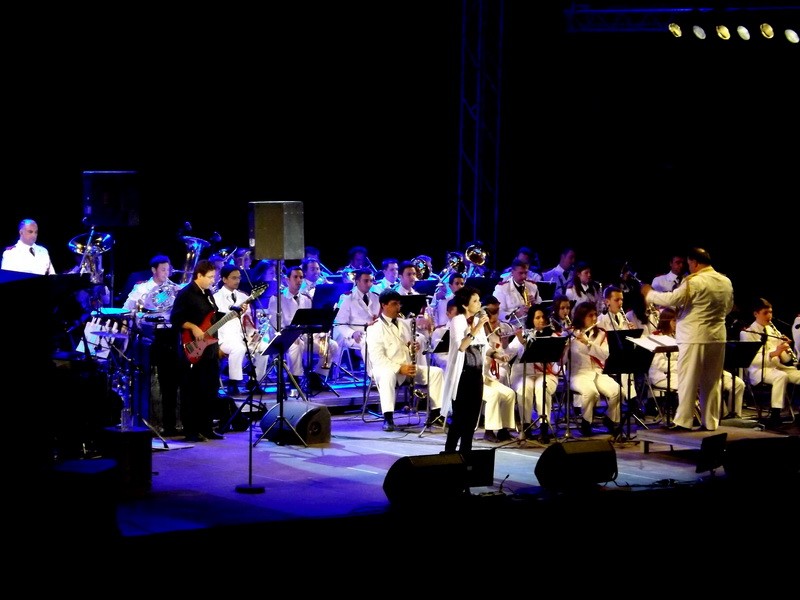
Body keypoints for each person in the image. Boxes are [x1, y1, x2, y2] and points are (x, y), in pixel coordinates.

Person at [640, 247, 734, 432]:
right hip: (717, 336)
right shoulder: (725, 281)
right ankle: (710, 421)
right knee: (712, 381)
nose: (688, 267)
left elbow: (672, 299)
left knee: (688, 379)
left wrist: (649, 293)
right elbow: (728, 307)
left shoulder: (695, 281)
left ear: (695, 262)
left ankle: (684, 421)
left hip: (694, 336)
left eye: (689, 263)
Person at [365, 289, 444, 432]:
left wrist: (414, 347)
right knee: (388, 375)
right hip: (386, 368)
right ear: (383, 305)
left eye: (399, 304)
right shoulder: (375, 328)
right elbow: (377, 358)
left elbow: (409, 344)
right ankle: (388, 417)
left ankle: (435, 414)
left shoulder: (404, 323)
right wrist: (399, 368)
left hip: (406, 367)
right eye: (394, 304)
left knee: (436, 372)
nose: (398, 307)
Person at [649, 308, 745, 420]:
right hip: (665, 376)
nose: (678, 324)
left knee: (738, 384)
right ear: (666, 321)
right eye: (674, 320)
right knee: (710, 384)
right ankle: (721, 416)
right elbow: (660, 364)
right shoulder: (656, 337)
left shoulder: (680, 336)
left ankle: (734, 416)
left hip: (688, 370)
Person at [124, 254, 182, 436]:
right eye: (163, 270)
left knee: (170, 380)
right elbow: (127, 309)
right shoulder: (141, 288)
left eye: (168, 269)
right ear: (153, 270)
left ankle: (170, 424)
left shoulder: (174, 288)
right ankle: (149, 421)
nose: (167, 273)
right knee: (148, 380)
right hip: (148, 337)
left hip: (170, 336)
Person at [170, 259, 225, 442]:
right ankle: (191, 430)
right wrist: (193, 327)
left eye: (213, 277)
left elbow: (212, 318)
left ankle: (207, 427)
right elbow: (175, 318)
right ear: (199, 275)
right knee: (192, 390)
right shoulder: (185, 294)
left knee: (210, 389)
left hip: (210, 349)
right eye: (209, 277)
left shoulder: (207, 293)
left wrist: (234, 314)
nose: (212, 280)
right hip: (193, 348)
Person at [441, 286, 491, 453]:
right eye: (475, 301)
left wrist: (497, 354)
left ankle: (466, 454)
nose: (479, 304)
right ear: (465, 305)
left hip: (477, 375)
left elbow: (484, 346)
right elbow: (461, 346)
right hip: (463, 376)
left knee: (471, 420)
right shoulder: (457, 321)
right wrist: (477, 328)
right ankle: (449, 454)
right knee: (460, 418)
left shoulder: (477, 321)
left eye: (479, 300)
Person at [740, 298, 800, 428]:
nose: (769, 316)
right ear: (756, 314)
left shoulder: (772, 330)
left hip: (777, 367)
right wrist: (774, 353)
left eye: (771, 312)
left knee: (797, 375)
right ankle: (775, 415)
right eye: (765, 313)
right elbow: (752, 361)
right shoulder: (747, 333)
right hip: (758, 371)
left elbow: (785, 360)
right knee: (781, 376)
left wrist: (785, 348)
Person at [567, 301, 622, 437]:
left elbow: (605, 355)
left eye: (595, 315)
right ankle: (586, 422)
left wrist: (589, 343)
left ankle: (610, 419)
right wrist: (566, 343)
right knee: (591, 392)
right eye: (590, 315)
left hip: (597, 372)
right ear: (581, 317)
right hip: (578, 374)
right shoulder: (571, 334)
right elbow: (561, 359)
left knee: (618, 391)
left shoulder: (601, 334)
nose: (594, 318)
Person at [508, 305, 560, 442]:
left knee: (542, 386)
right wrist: (519, 341)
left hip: (546, 374)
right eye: (537, 318)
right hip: (523, 374)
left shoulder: (552, 335)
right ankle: (526, 426)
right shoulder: (524, 334)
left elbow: (557, 360)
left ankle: (544, 428)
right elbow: (508, 353)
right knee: (525, 388)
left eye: (543, 317)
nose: (541, 320)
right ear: (531, 320)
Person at [213, 264, 268, 396]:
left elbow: (247, 321)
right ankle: (233, 382)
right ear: (224, 279)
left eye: (239, 278)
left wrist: (253, 334)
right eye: (234, 278)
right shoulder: (216, 298)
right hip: (224, 338)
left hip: (243, 336)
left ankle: (255, 381)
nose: (237, 281)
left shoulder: (244, 297)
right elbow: (216, 322)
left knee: (265, 347)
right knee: (238, 348)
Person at [478, 295, 517, 443]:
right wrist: (496, 355)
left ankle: (503, 429)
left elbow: (499, 352)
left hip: (486, 377)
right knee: (494, 394)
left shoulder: (494, 335)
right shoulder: (476, 336)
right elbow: (487, 351)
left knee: (509, 393)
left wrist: (504, 351)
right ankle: (489, 431)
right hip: (475, 379)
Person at [333, 268, 380, 368]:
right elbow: (339, 323)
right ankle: (372, 374)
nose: (369, 284)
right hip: (353, 334)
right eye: (366, 281)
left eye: (371, 281)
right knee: (367, 342)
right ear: (357, 281)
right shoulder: (347, 298)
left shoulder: (376, 297)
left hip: (372, 332)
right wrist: (352, 333)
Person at [493, 258, 542, 324]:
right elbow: (498, 312)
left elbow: (541, 308)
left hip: (530, 325)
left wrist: (534, 305)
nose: (524, 276)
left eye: (526, 273)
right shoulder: (501, 288)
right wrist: (517, 314)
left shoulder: (533, 286)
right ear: (512, 272)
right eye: (520, 273)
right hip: (511, 327)